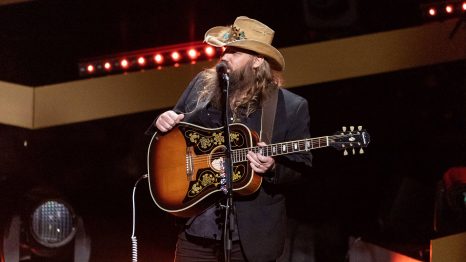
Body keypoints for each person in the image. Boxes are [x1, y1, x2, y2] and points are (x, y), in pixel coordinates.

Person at [147, 16, 313, 262]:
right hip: (197, 228)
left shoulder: (290, 106)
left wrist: (273, 167)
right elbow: (169, 137)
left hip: (250, 238)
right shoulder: (201, 85)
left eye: (235, 51)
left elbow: (302, 165)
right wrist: (161, 123)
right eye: (226, 49)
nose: (225, 56)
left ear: (257, 61)